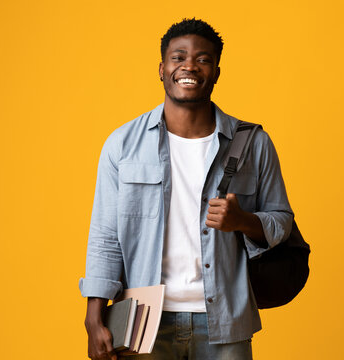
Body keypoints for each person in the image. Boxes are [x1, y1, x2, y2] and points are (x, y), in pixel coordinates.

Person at [80, 18, 294, 360]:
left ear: (217, 72)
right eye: (178, 57)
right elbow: (106, 235)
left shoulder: (253, 143)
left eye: (203, 59)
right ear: (162, 68)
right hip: (142, 321)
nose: (190, 66)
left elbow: (282, 221)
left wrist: (242, 221)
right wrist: (94, 315)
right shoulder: (123, 145)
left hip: (225, 320)